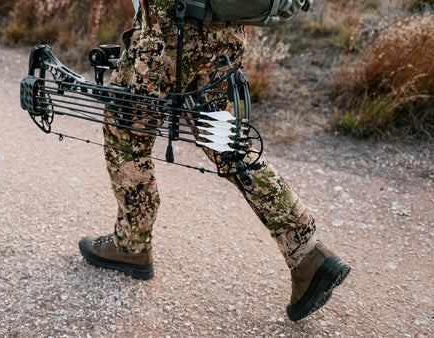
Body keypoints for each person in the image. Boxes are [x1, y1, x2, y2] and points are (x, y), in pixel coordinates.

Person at [77, 0, 351, 321]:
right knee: (227, 145)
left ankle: (130, 245)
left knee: (126, 134)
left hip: (165, 37)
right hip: (222, 40)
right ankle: (306, 250)